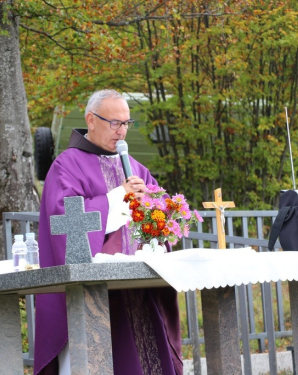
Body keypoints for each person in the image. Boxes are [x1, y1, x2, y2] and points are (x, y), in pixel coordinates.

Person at [34, 89, 183, 375]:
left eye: (127, 123)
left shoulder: (138, 170)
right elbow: (66, 222)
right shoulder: (66, 166)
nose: (122, 131)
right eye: (114, 123)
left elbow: (160, 231)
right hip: (94, 298)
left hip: (140, 293)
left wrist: (154, 210)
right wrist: (119, 198)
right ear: (91, 119)